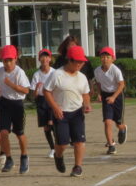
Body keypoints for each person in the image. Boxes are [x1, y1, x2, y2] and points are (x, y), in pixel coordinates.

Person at [44, 45, 92, 177]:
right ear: (69, 60)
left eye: (82, 62)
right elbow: (46, 91)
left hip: (77, 112)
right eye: (77, 61)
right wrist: (55, 107)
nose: (80, 64)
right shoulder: (57, 74)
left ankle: (78, 166)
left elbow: (85, 93)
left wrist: (86, 104)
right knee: (63, 143)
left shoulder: (82, 77)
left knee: (79, 141)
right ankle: (58, 156)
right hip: (61, 113)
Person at [0, 45, 30, 174]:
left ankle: (24, 156)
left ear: (15, 58)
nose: (8, 63)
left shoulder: (19, 72)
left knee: (19, 134)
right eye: (5, 60)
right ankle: (9, 158)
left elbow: (26, 90)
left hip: (17, 104)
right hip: (4, 103)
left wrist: (12, 85)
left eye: (10, 60)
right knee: (3, 132)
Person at [93, 46, 127, 155]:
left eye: (108, 57)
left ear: (113, 58)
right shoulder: (97, 71)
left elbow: (122, 85)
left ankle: (123, 128)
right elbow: (98, 83)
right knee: (107, 122)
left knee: (118, 123)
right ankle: (111, 145)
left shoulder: (115, 70)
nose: (105, 59)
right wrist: (99, 94)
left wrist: (113, 97)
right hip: (105, 96)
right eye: (103, 57)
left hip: (117, 95)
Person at [30, 48, 56, 158]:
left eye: (46, 56)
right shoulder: (37, 74)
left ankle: (59, 145)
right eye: (42, 56)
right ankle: (53, 148)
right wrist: (36, 88)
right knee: (46, 127)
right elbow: (33, 96)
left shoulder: (54, 72)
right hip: (41, 101)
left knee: (52, 123)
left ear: (50, 59)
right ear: (39, 59)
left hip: (52, 99)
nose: (44, 59)